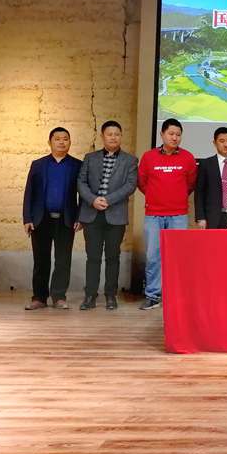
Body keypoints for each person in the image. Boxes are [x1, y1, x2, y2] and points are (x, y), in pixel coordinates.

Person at [137, 118, 198, 310]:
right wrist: (155, 196)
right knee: (153, 256)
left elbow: (190, 184)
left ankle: (175, 295)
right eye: (171, 134)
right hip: (153, 214)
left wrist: (175, 197)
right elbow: (142, 182)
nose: (175, 138)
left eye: (178, 135)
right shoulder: (148, 157)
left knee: (177, 257)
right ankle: (153, 295)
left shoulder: (188, 158)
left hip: (178, 215)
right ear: (162, 134)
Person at [77, 121, 138, 311]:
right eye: (110, 134)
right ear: (102, 136)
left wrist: (108, 200)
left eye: (117, 134)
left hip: (115, 215)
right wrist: (93, 200)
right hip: (92, 214)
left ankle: (111, 295)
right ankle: (90, 295)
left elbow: (130, 185)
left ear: (121, 136)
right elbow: (81, 182)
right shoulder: (90, 158)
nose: (113, 137)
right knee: (93, 257)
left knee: (113, 257)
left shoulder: (130, 160)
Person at [21, 127, 82, 310]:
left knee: (63, 260)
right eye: (57, 139)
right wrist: (27, 218)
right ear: (50, 142)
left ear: (70, 142)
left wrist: (80, 217)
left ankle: (59, 297)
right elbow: (29, 193)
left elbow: (83, 195)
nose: (61, 142)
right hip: (41, 220)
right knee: (41, 260)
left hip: (66, 220)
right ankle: (39, 298)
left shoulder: (77, 166)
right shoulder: (38, 165)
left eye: (65, 139)